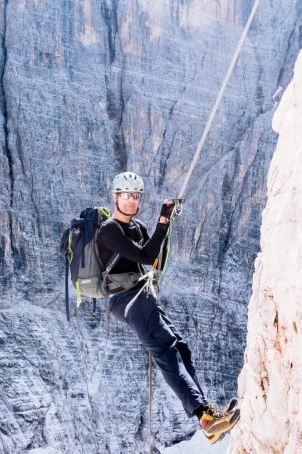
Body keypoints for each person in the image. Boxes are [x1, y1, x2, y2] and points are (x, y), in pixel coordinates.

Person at [96, 171, 239, 442]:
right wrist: (162, 219)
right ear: (116, 197)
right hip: (127, 300)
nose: (131, 201)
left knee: (180, 348)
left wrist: (167, 224)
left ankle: (208, 415)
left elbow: (155, 259)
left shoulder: (136, 228)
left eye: (135, 196)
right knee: (165, 350)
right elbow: (145, 255)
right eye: (126, 195)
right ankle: (204, 418)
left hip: (140, 295)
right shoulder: (109, 230)